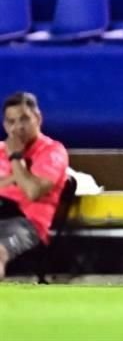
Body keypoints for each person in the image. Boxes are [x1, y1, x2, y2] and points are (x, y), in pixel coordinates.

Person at [0, 92, 69, 281]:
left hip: (27, 224)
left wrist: (16, 158)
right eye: (11, 122)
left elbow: (32, 191)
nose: (17, 128)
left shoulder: (52, 151)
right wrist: (16, 179)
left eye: (24, 119)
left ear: (37, 118)